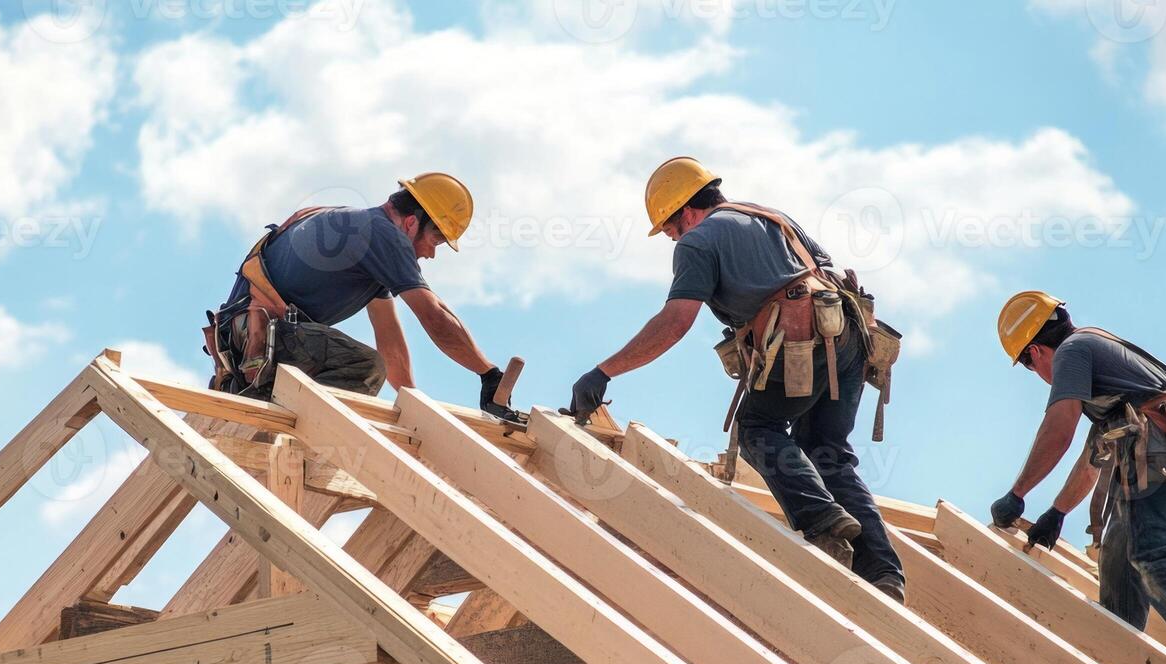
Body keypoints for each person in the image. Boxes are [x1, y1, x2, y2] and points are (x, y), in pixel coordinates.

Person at [564, 157, 905, 601]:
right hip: (850, 341)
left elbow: (676, 321)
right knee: (828, 453)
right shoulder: (771, 217)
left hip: (801, 342)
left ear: (686, 211)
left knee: (758, 429)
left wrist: (603, 372)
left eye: (669, 228)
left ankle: (822, 520)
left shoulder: (698, 242)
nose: (671, 237)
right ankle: (882, 573)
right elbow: (829, 275)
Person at [990, 290, 1166, 664]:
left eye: (1028, 365)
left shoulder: (1072, 352)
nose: (1036, 375)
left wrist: (1017, 494)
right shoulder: (1098, 350)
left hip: (1150, 452)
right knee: (1119, 554)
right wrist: (1057, 512)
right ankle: (1121, 650)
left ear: (1035, 352)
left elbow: (1059, 429)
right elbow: (1096, 453)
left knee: (1148, 546)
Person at [205, 173, 523, 422]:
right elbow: (434, 317)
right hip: (259, 340)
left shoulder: (361, 236)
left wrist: (413, 406)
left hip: (250, 343)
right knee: (364, 367)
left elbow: (391, 344)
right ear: (412, 222)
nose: (431, 253)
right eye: (436, 239)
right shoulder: (382, 234)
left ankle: (264, 396)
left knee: (372, 364)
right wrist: (488, 374)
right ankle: (292, 428)